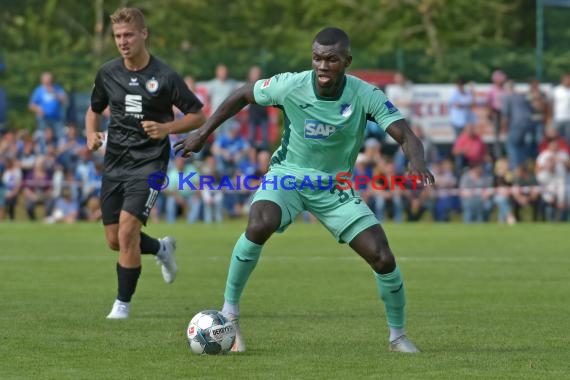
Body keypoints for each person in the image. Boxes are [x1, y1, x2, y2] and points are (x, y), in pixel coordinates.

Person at [175, 27, 434, 353]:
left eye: (331, 59)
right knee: (259, 223)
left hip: (334, 186)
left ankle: (398, 337)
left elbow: (406, 135)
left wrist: (416, 161)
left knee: (382, 257)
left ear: (347, 61)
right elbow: (243, 93)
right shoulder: (291, 85)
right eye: (317, 58)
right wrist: (203, 132)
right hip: (288, 177)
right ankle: (230, 313)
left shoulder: (365, 95)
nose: (323, 66)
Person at [85, 7, 205, 319]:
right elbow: (93, 109)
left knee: (127, 233)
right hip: (114, 163)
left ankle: (122, 305)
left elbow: (198, 114)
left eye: (128, 35)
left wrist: (166, 128)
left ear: (143, 34)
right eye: (117, 37)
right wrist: (90, 134)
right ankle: (161, 249)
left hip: (149, 163)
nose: (122, 42)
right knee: (115, 241)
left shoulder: (164, 76)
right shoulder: (108, 73)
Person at [28, 72, 68, 140]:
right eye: (46, 81)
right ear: (42, 81)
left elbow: (65, 101)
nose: (48, 82)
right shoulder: (39, 90)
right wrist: (38, 109)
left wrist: (55, 93)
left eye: (49, 80)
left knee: (60, 136)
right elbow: (31, 105)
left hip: (56, 118)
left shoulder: (57, 88)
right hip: (43, 119)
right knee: (43, 136)